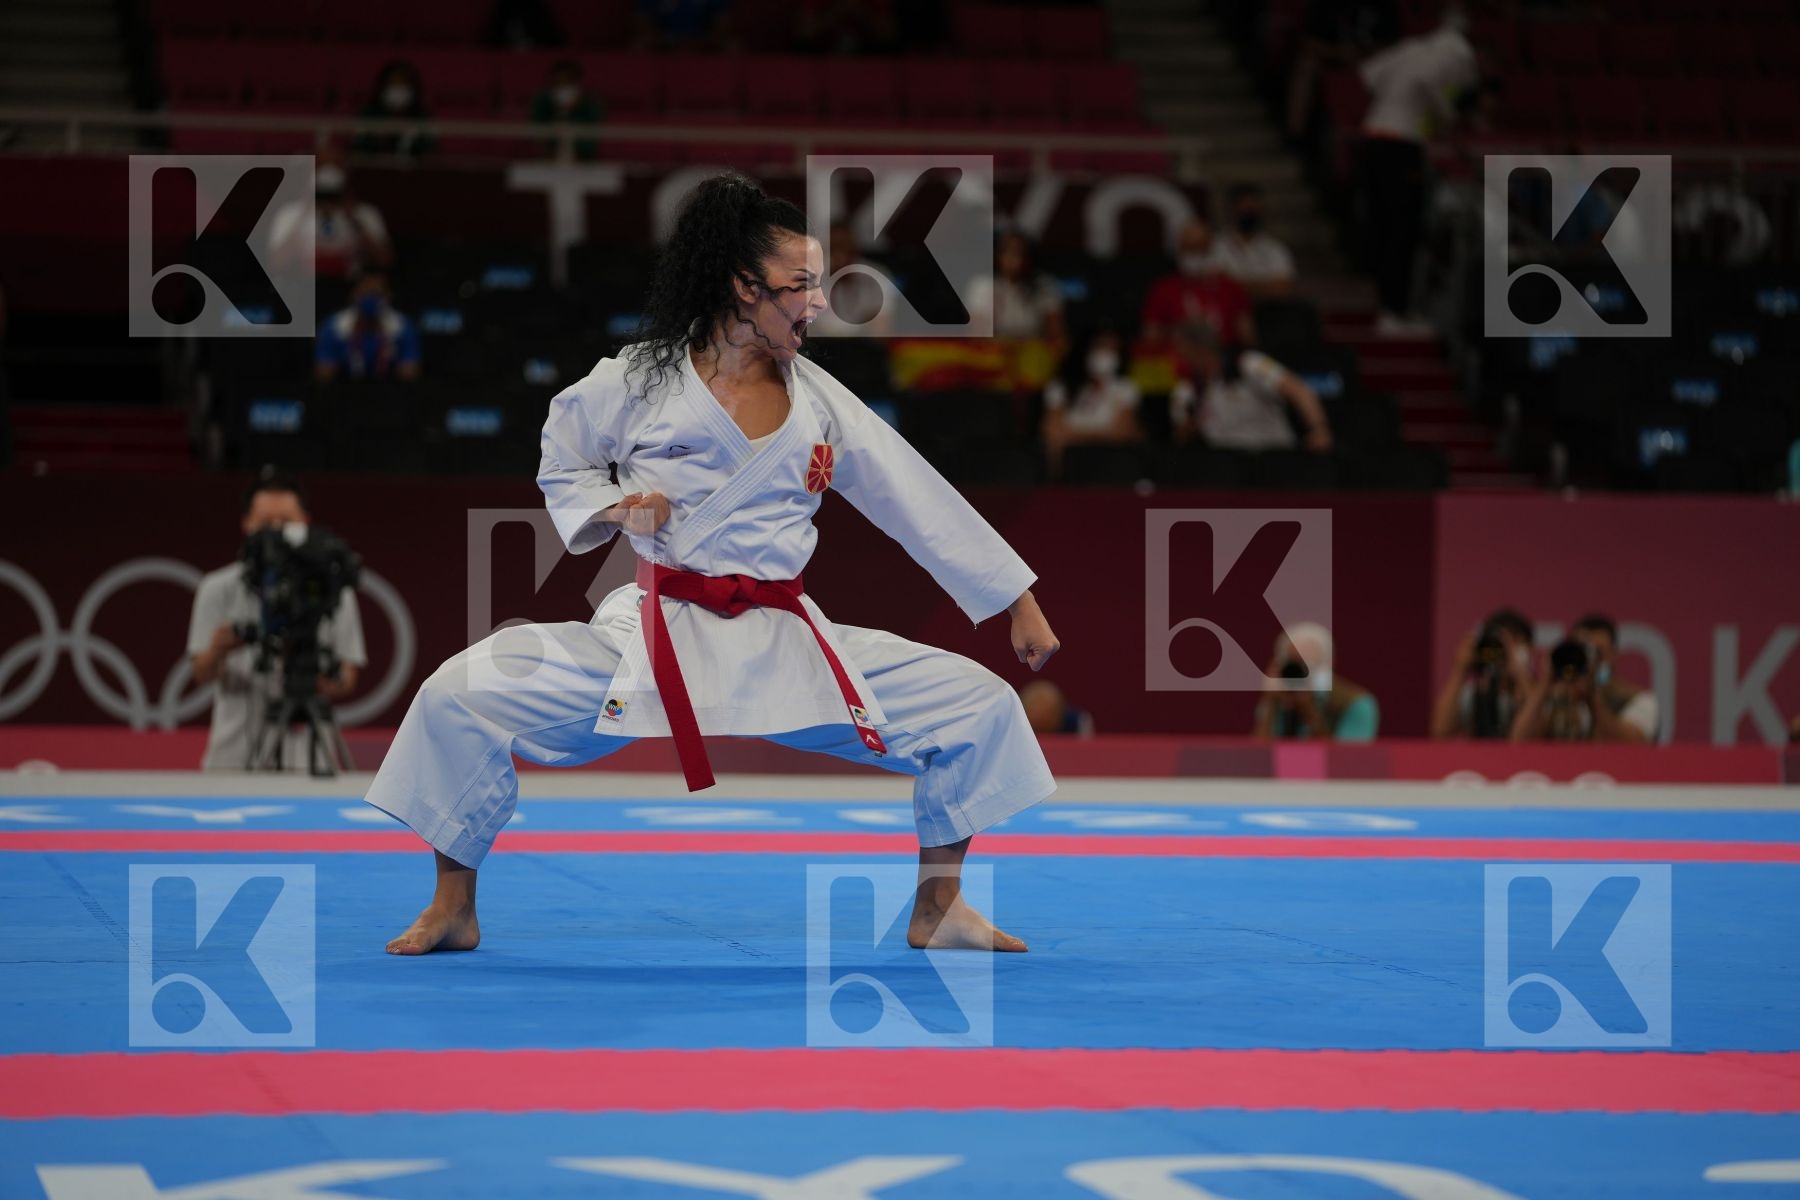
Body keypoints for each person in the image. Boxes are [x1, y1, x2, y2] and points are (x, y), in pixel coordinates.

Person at [364, 173, 1062, 957]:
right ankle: (454, 906)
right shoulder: (637, 381)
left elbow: (913, 495)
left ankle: (940, 907)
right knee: (459, 694)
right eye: (802, 284)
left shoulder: (822, 401)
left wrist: (1015, 598)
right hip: (654, 636)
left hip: (786, 639)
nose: (818, 302)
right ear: (743, 286)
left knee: (976, 705)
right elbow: (562, 462)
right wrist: (615, 509)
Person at [186, 473, 366, 771]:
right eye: (266, 522)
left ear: (305, 522)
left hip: (310, 763)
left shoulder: (331, 589)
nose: (277, 532)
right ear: (246, 524)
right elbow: (201, 673)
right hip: (233, 760)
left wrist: (305, 668)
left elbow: (347, 678)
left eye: (286, 521)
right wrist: (219, 649)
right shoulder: (217, 587)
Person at [1355, 7, 1476, 335]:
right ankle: (1394, 311)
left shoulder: (1411, 48)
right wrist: (1444, 114)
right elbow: (1430, 83)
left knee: (1383, 229)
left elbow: (1368, 75)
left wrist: (1403, 102)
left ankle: (1386, 307)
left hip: (1373, 138)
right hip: (1399, 145)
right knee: (1401, 231)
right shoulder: (1457, 55)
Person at [1168, 323, 1331, 454]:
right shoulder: (1187, 390)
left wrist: (1319, 429)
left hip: (1275, 457)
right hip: (1229, 469)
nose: (1179, 357)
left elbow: (1299, 390)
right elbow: (1182, 436)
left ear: (1201, 349)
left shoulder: (1248, 364)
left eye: (1182, 350)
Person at [1511, 613, 1659, 743]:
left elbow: (1633, 747)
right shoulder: (1558, 700)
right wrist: (1546, 681)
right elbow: (1520, 742)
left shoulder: (1639, 700)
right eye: (1584, 653)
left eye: (1598, 653)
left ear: (1614, 655)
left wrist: (1592, 697)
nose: (1592, 662)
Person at [268, 144, 393, 282]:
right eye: (321, 165)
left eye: (335, 165)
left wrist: (352, 218)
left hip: (349, 284)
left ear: (345, 170)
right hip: (303, 287)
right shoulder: (290, 213)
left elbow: (384, 260)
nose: (328, 172)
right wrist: (305, 212)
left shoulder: (365, 213)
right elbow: (277, 263)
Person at [1139, 216, 1255, 348]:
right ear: (1179, 249)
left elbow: (1247, 337)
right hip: (1178, 358)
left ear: (1210, 248)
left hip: (1224, 357)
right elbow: (1151, 337)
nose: (1193, 255)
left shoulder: (1231, 287)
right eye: (1188, 248)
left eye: (1199, 248)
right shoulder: (1163, 289)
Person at [1252, 622, 1379, 742]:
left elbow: (1346, 759)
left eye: (1310, 665)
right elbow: (1259, 755)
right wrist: (1270, 702)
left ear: (1328, 665)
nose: (1302, 675)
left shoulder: (1355, 702)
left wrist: (1309, 711)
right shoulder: (1281, 698)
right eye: (1295, 665)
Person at [1041, 329, 1141, 479]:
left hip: (1111, 465)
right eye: (1101, 347)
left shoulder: (1125, 388)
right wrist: (1103, 434)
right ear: (1086, 349)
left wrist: (1073, 435)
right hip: (1070, 466)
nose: (1106, 354)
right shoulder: (1061, 387)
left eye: (1113, 349)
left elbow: (1123, 433)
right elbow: (1053, 433)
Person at [1431, 607, 1536, 739]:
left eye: (1513, 645)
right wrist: (1460, 670)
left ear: (1529, 649)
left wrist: (1520, 674)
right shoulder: (1476, 693)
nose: (1505, 654)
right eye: (1499, 646)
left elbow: (1541, 730)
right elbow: (1440, 730)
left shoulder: (1540, 691)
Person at [315, 273, 422, 382]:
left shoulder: (402, 326)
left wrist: (386, 342)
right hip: (344, 391)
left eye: (376, 294)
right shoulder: (335, 326)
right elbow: (324, 375)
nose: (370, 300)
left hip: (390, 391)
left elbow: (410, 375)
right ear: (354, 295)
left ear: (388, 297)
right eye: (365, 294)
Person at [964, 231, 1066, 343]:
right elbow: (977, 334)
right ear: (997, 255)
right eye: (1007, 252)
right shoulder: (983, 285)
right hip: (995, 350)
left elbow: (1056, 332)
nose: (1014, 258)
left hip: (1033, 350)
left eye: (1019, 252)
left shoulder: (1044, 285)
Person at [1210, 184, 1297, 296]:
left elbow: (1284, 287)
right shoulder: (1214, 245)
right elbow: (1213, 285)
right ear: (1231, 209)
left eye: (1254, 207)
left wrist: (1235, 284)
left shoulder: (1274, 248)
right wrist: (1265, 285)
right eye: (1245, 207)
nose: (1250, 213)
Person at [353, 60, 436, 160]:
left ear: (413, 87)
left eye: (402, 84)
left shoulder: (423, 117)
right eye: (393, 83)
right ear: (382, 87)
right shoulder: (367, 115)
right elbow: (357, 151)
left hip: (413, 174)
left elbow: (431, 154)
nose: (397, 89)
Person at [529, 59, 604, 162]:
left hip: (583, 156)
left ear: (577, 82)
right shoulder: (542, 99)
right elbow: (536, 127)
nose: (563, 86)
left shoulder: (589, 100)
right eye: (559, 81)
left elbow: (596, 128)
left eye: (568, 81)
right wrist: (555, 110)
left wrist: (577, 107)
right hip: (548, 154)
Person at [1019, 679, 1093, 736]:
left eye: (1048, 713)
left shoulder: (1078, 722)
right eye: (1036, 712)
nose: (1042, 718)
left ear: (1059, 713)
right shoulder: (1015, 723)